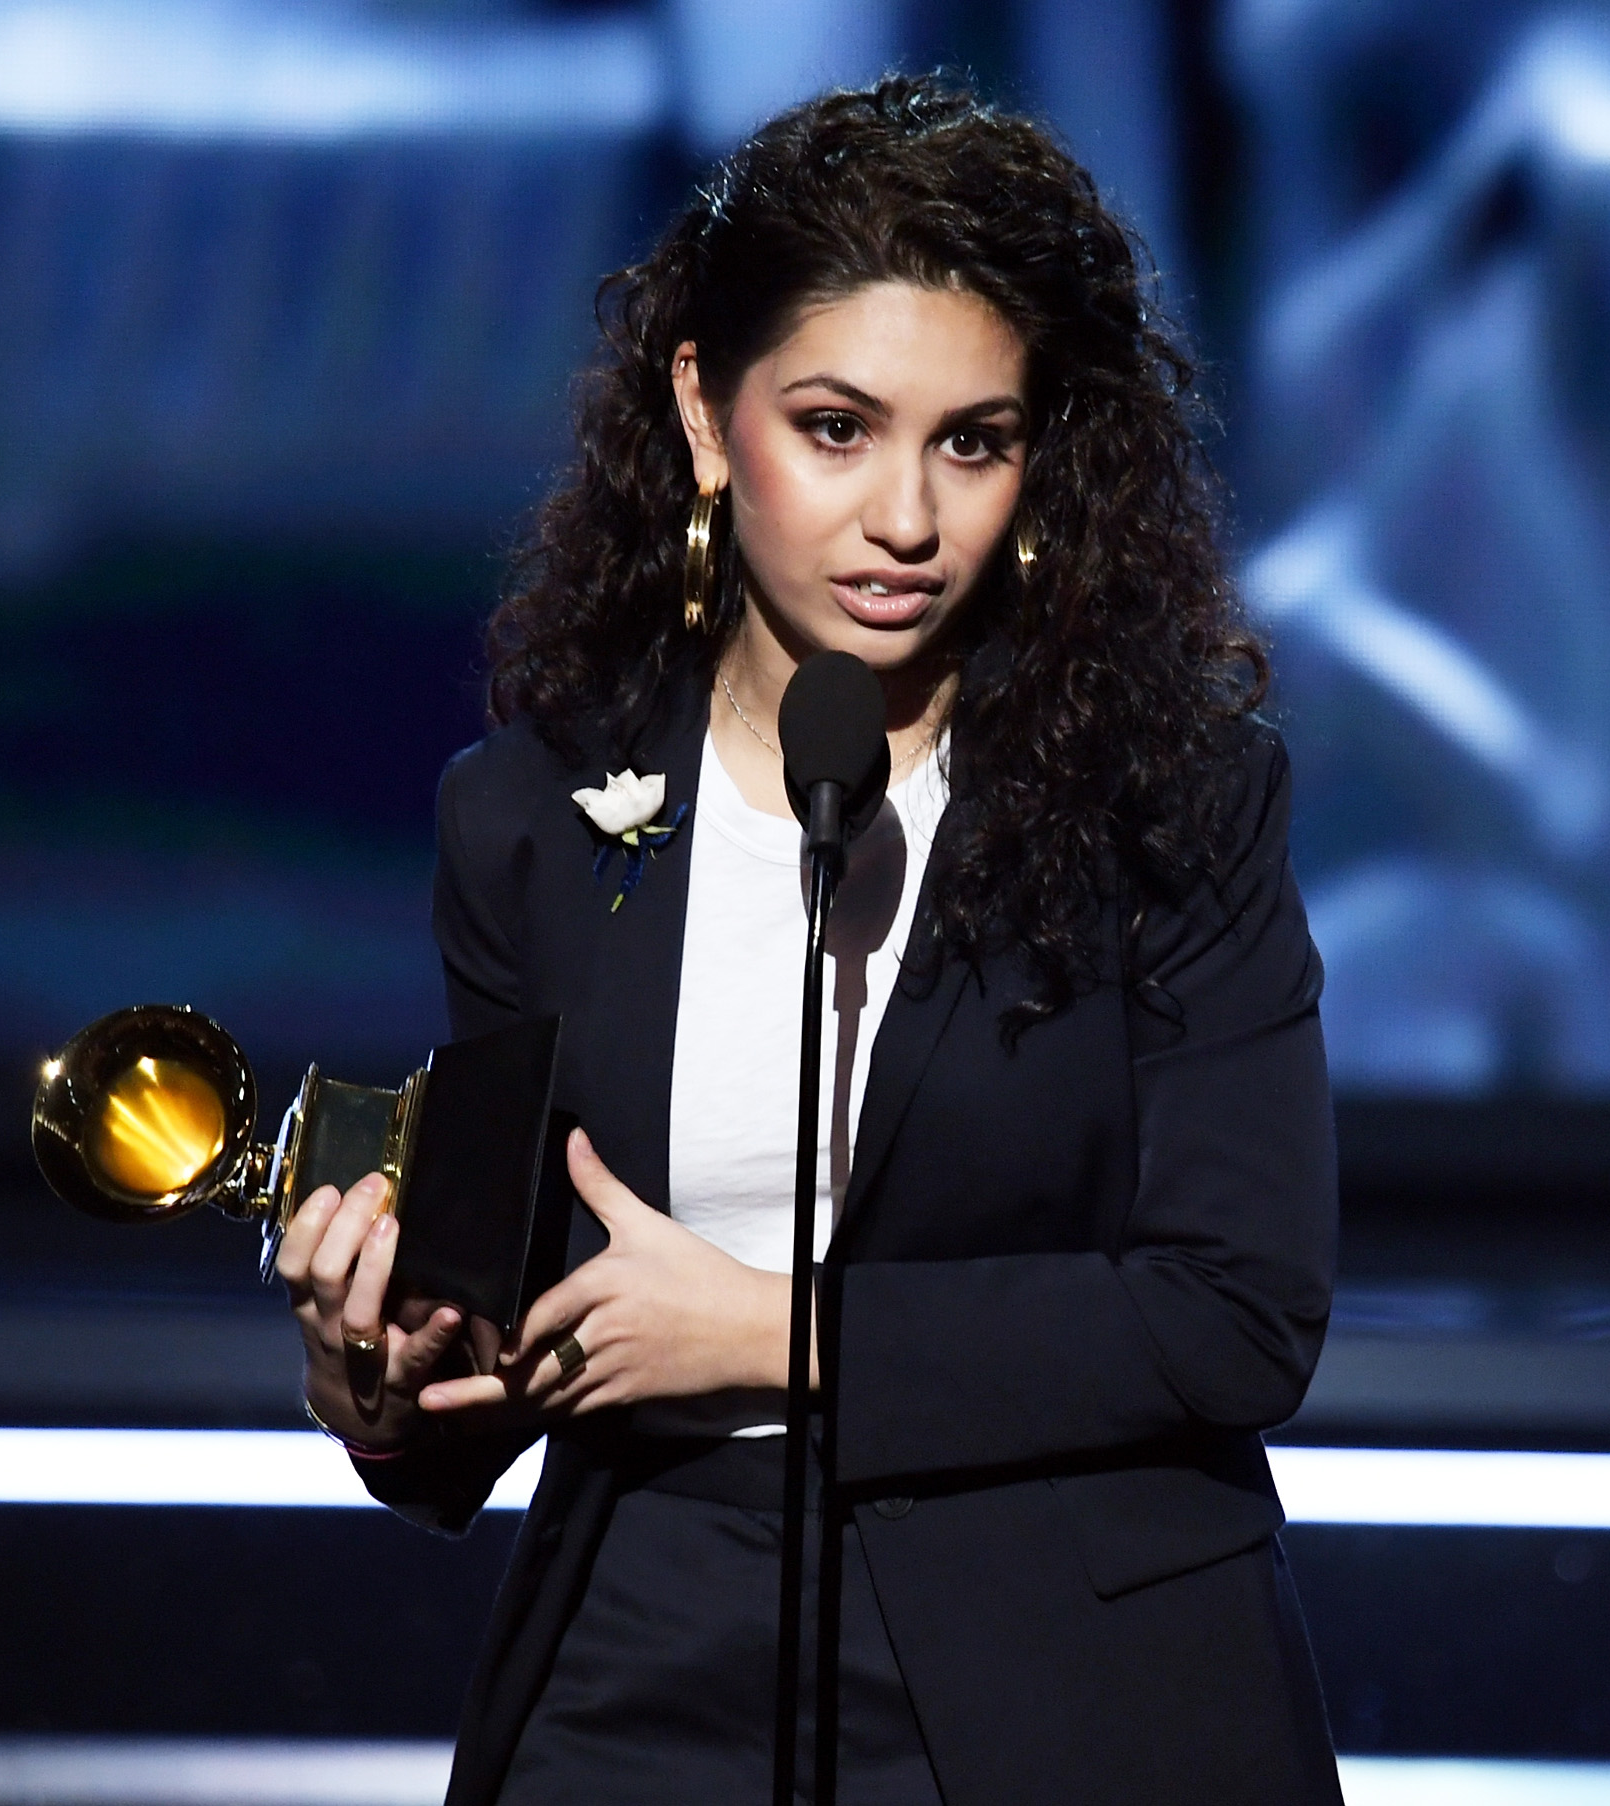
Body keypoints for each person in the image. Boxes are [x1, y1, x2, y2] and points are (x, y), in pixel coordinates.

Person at [277, 73, 1343, 1806]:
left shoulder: (1175, 806)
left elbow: (1240, 1312)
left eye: (972, 441)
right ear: (706, 414)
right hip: (648, 1646)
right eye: (837, 429)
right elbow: (504, 1360)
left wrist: (783, 1331)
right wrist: (384, 1389)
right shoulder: (531, 819)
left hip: (1065, 1666)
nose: (906, 519)